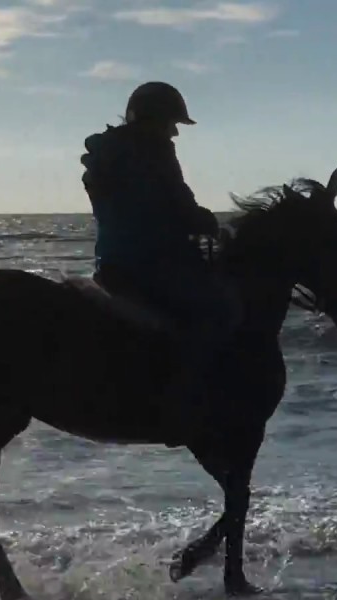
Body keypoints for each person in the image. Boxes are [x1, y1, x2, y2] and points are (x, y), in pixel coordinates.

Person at [79, 81, 239, 444]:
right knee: (218, 311)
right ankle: (183, 407)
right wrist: (209, 223)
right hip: (150, 261)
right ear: (154, 120)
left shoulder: (107, 153)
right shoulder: (152, 152)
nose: (175, 132)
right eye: (172, 123)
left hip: (113, 260)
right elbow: (177, 205)